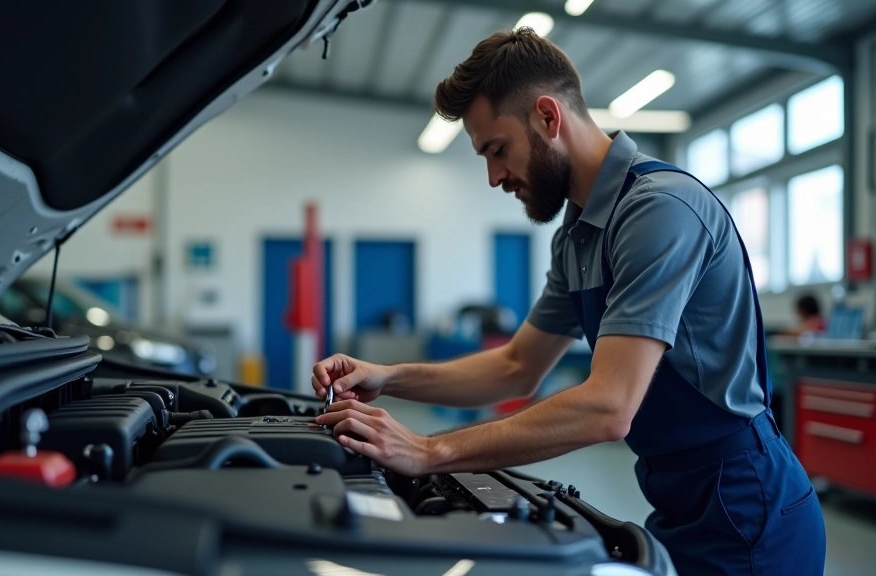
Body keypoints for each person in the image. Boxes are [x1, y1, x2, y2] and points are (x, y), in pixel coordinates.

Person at [312, 28, 825, 575]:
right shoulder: (578, 235)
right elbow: (516, 366)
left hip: (749, 509)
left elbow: (609, 407)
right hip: (681, 502)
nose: (494, 177)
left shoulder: (659, 210)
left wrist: (430, 451)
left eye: (497, 150)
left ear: (547, 117)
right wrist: (389, 376)